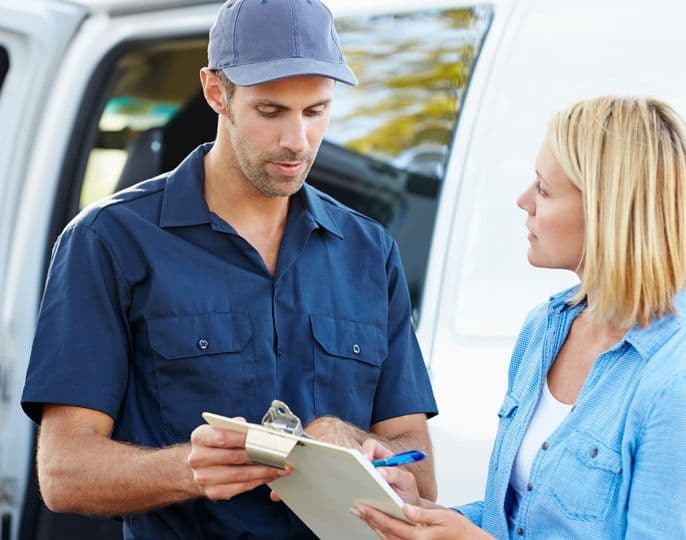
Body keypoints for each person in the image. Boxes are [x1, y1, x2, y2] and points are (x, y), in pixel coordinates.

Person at [20, 0, 438, 538]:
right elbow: (63, 473)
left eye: (316, 111)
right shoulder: (108, 242)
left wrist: (352, 441)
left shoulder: (370, 251)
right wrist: (187, 470)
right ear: (216, 91)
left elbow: (422, 477)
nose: (298, 141)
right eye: (271, 111)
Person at [354, 96, 686, 539]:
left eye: (543, 189)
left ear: (607, 211)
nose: (523, 201)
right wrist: (418, 512)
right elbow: (514, 524)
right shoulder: (546, 329)